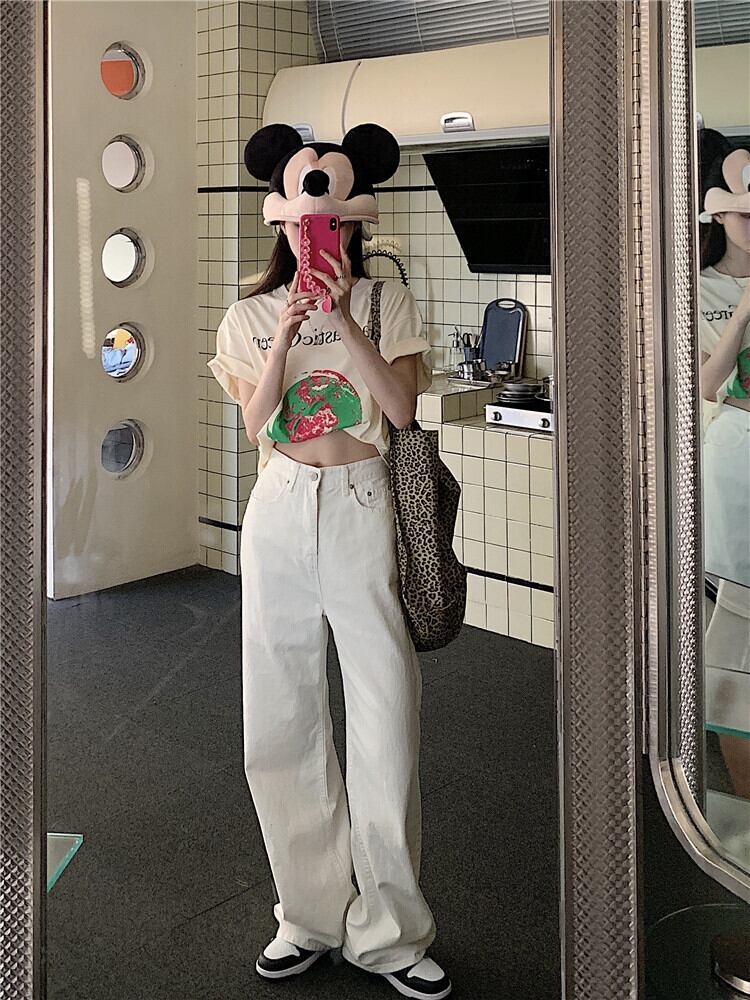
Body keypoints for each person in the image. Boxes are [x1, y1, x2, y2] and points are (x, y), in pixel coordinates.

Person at [207, 122, 452, 1000]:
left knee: (385, 713)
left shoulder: (388, 302)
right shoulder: (245, 316)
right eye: (310, 219)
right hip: (279, 505)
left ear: (355, 219)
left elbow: (400, 410)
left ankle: (392, 931)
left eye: (338, 219)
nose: (323, 231)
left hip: (361, 504)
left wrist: (342, 317)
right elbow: (256, 424)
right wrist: (285, 332)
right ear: (282, 220)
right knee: (280, 717)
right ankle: (307, 916)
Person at [697, 144, 750, 807]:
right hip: (731, 475)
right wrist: (742, 312)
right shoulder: (697, 288)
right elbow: (705, 387)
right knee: (737, 654)